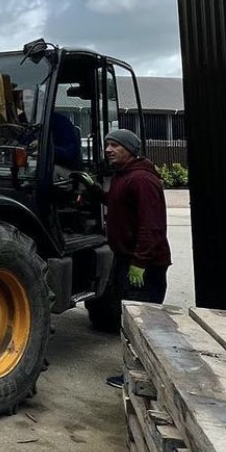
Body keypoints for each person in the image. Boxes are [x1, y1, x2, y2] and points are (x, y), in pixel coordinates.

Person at [100, 127, 171, 388]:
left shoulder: (142, 180)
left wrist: (140, 262)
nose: (109, 150)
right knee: (129, 318)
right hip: (127, 259)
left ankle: (141, 376)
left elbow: (151, 225)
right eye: (108, 145)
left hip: (145, 265)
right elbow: (119, 204)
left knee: (142, 322)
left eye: (115, 145)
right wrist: (95, 193)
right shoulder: (123, 176)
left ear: (130, 150)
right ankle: (134, 372)